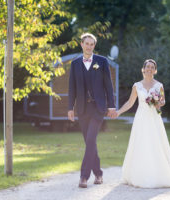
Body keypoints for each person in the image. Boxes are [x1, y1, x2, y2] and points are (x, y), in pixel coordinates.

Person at [115, 59, 170, 188]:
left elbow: (163, 101)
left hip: (154, 118)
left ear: (155, 70)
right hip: (141, 118)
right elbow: (130, 102)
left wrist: (158, 103)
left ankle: (158, 175)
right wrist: (118, 112)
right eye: (147, 67)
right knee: (140, 143)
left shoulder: (159, 85)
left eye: (152, 67)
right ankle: (138, 175)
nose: (149, 69)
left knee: (156, 143)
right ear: (143, 69)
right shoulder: (137, 86)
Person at [68, 33, 116, 188]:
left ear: (94, 46)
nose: (89, 46)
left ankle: (84, 176)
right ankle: (99, 173)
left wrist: (111, 106)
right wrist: (70, 108)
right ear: (81, 44)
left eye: (91, 44)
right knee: (89, 142)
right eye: (86, 43)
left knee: (90, 140)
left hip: (98, 108)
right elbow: (72, 88)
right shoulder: (75, 64)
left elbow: (108, 85)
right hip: (82, 109)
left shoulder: (102, 62)